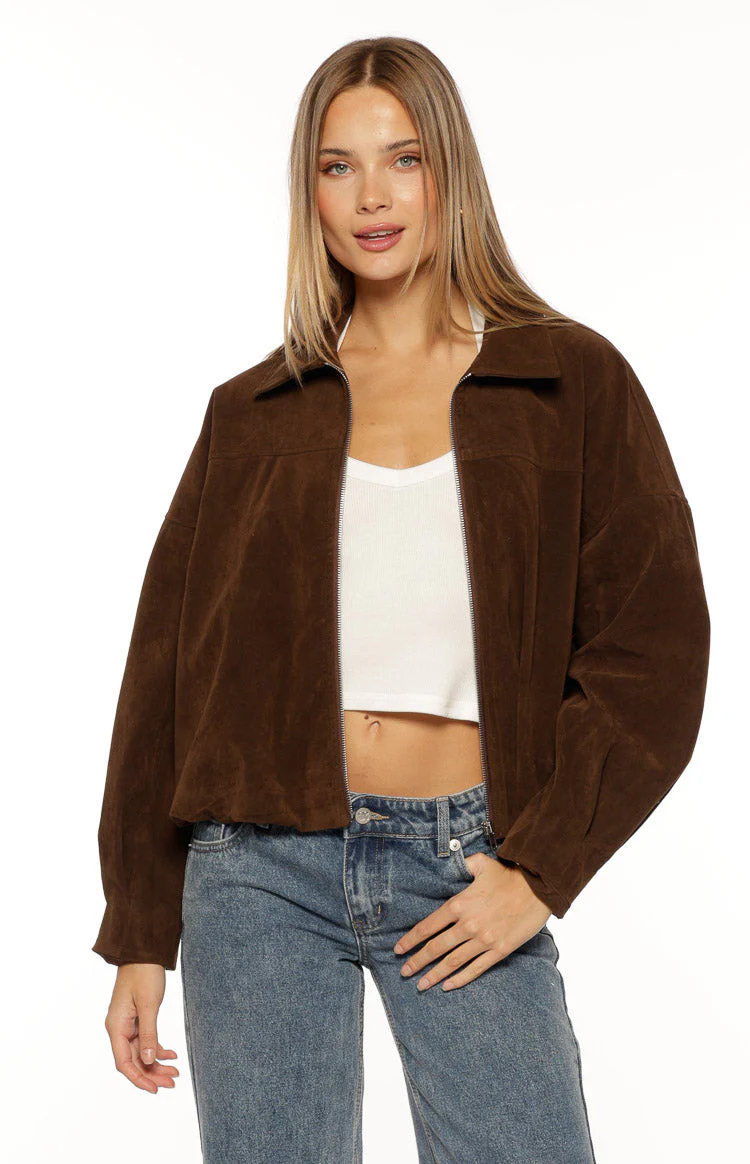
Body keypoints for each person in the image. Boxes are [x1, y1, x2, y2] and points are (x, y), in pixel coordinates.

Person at [93, 36, 710, 1164]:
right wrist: (140, 928)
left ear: (448, 172)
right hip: (257, 870)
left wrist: (540, 871)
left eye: (403, 158)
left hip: (465, 863)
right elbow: (166, 675)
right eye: (338, 166)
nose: (371, 196)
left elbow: (652, 655)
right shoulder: (255, 412)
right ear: (311, 191)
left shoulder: (565, 382)